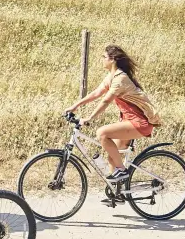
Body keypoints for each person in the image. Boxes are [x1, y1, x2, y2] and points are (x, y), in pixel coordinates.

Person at [65, 44, 159, 186]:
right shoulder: (112, 76)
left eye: (104, 57)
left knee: (101, 133)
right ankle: (118, 193)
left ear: (112, 59)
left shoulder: (120, 79)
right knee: (112, 158)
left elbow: (106, 100)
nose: (102, 59)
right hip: (129, 122)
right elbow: (96, 94)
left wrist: (90, 118)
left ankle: (122, 170)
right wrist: (75, 106)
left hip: (140, 123)